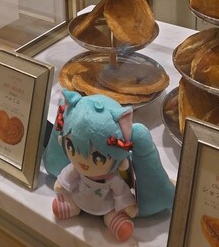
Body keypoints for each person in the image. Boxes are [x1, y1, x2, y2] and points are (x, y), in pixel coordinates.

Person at [43, 89, 175, 242]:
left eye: (98, 158)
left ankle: (112, 219)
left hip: (106, 207)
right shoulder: (76, 169)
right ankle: (73, 206)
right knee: (68, 203)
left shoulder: (113, 179)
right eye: (71, 148)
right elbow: (67, 178)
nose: (84, 164)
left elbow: (121, 194)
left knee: (113, 216)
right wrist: (61, 185)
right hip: (79, 199)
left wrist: (127, 206)